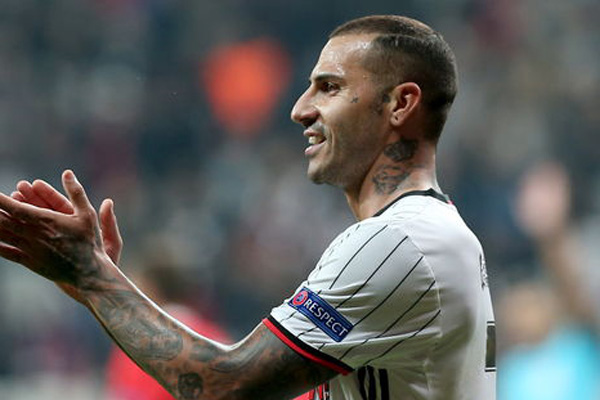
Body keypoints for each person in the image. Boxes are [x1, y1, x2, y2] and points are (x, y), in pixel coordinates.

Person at [0, 15, 495, 399]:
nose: (300, 109)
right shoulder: (431, 235)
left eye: (329, 87)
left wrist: (93, 276)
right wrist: (100, 286)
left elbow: (223, 385)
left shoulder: (399, 242)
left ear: (401, 104)